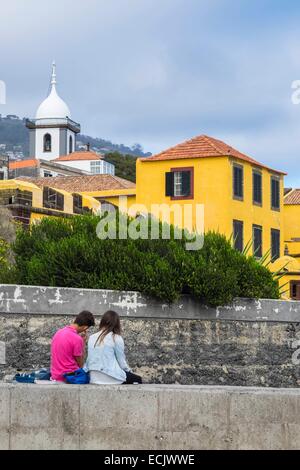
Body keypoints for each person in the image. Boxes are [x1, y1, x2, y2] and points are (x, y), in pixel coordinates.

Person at [85, 310, 142, 385]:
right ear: (116, 324)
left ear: (103, 322)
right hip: (111, 377)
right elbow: (121, 362)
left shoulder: (91, 337)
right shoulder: (116, 338)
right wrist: (129, 372)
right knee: (138, 379)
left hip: (93, 378)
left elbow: (89, 359)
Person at [50, 311, 95, 382]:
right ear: (85, 327)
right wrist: (82, 344)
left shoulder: (58, 332)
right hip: (70, 377)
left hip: (55, 375)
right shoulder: (77, 339)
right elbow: (81, 365)